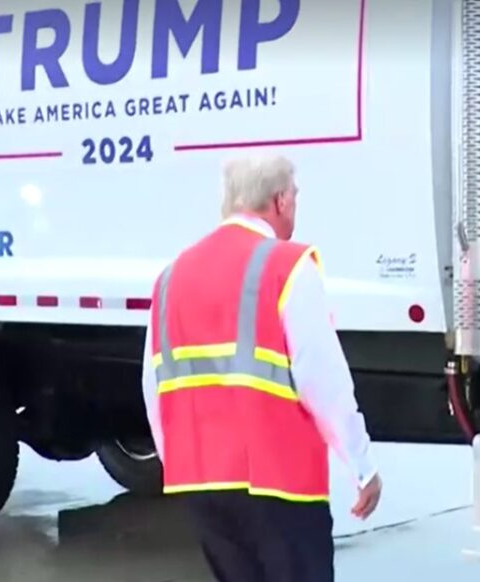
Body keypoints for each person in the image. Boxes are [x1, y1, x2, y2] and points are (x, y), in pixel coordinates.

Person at [139, 154, 382, 582]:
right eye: (295, 197)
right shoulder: (287, 268)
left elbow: (154, 388)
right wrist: (361, 466)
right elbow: (322, 381)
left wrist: (178, 462)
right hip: (279, 483)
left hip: (200, 486)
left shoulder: (170, 277)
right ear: (281, 200)